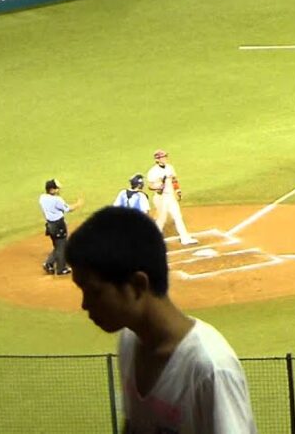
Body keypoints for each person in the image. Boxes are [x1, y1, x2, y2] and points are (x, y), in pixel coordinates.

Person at [65, 206, 257, 433]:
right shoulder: (130, 340)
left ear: (138, 285)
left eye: (94, 292)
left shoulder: (210, 369)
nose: (85, 304)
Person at [147, 150, 197, 245]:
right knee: (161, 219)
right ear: (157, 159)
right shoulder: (153, 171)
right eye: (162, 157)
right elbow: (150, 186)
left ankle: (185, 238)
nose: (165, 158)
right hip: (161, 198)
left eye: (165, 156)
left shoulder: (170, 167)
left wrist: (178, 190)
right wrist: (158, 187)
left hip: (170, 197)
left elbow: (174, 180)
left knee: (178, 216)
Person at [39, 179, 84, 275]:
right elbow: (68, 209)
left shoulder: (42, 197)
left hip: (50, 225)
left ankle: (49, 264)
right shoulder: (57, 200)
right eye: (56, 189)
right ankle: (61, 268)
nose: (58, 190)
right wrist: (78, 204)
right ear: (51, 190)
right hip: (58, 225)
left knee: (58, 245)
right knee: (62, 246)